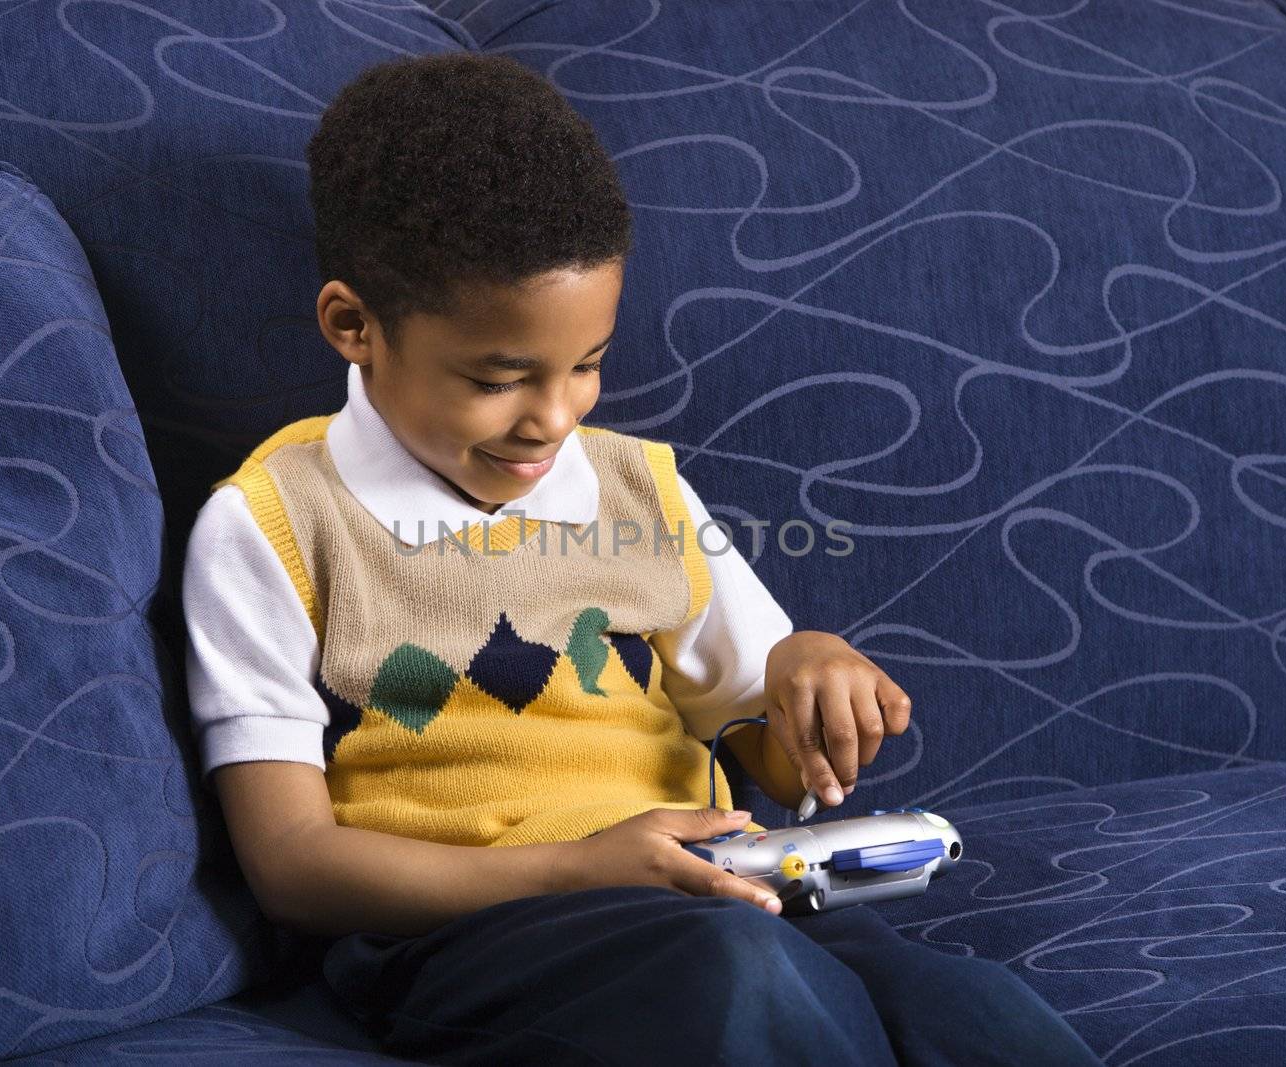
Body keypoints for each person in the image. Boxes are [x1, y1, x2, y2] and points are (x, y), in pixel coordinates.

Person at [182, 51, 1105, 1067]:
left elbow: (760, 739)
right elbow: (294, 864)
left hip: (716, 886)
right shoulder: (271, 521)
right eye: (500, 377)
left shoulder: (637, 489)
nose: (552, 418)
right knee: (735, 978)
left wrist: (808, 674)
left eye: (586, 365)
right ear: (352, 325)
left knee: (971, 1011)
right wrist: (574, 869)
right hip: (471, 928)